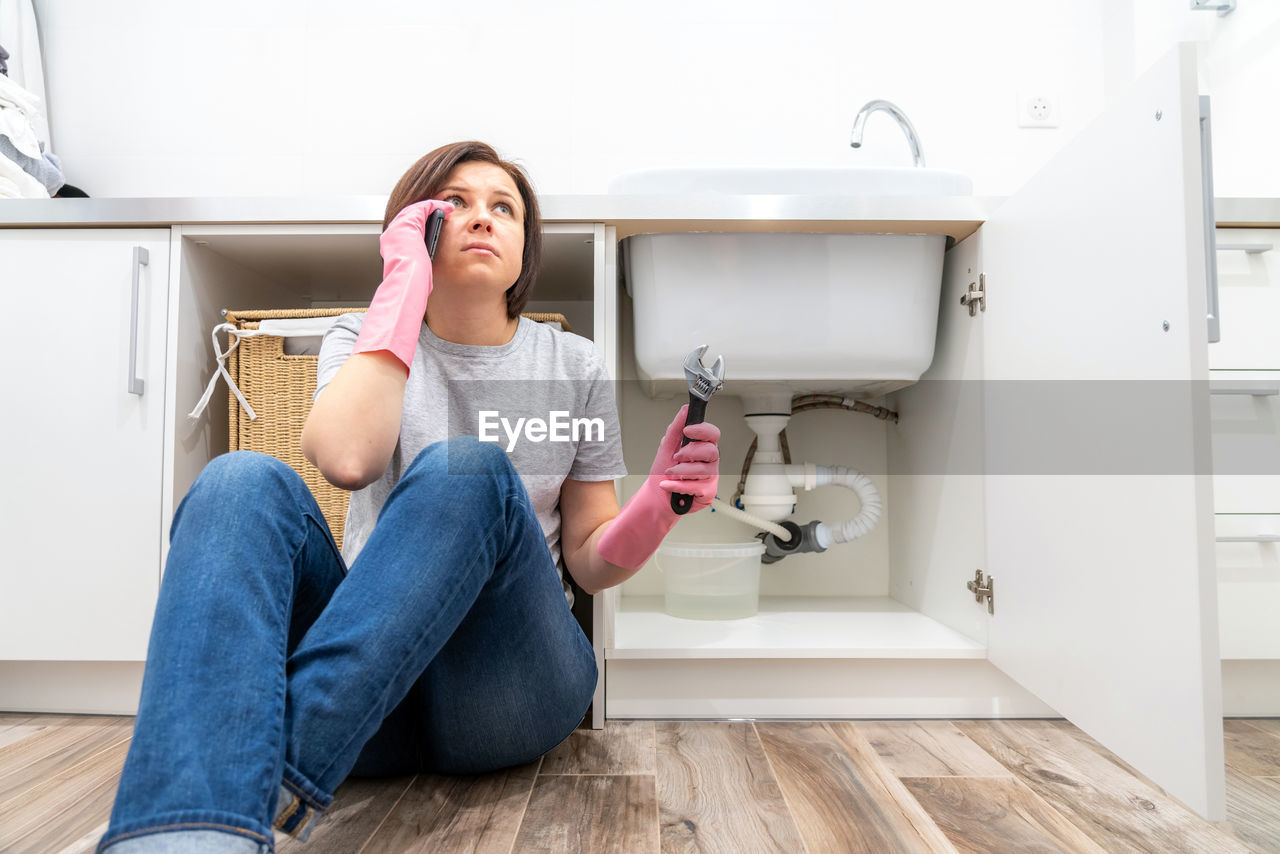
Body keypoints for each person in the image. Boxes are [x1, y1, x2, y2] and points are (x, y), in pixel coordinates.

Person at [96, 141, 721, 853]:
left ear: (526, 250)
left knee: (471, 470)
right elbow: (347, 459)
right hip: (374, 701)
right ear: (412, 227)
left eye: (504, 208)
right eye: (454, 203)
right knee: (239, 482)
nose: (481, 218)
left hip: (508, 689)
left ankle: (266, 760)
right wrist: (400, 287)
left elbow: (588, 560)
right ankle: (188, 832)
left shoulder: (571, 364)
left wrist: (657, 505)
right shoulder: (361, 340)